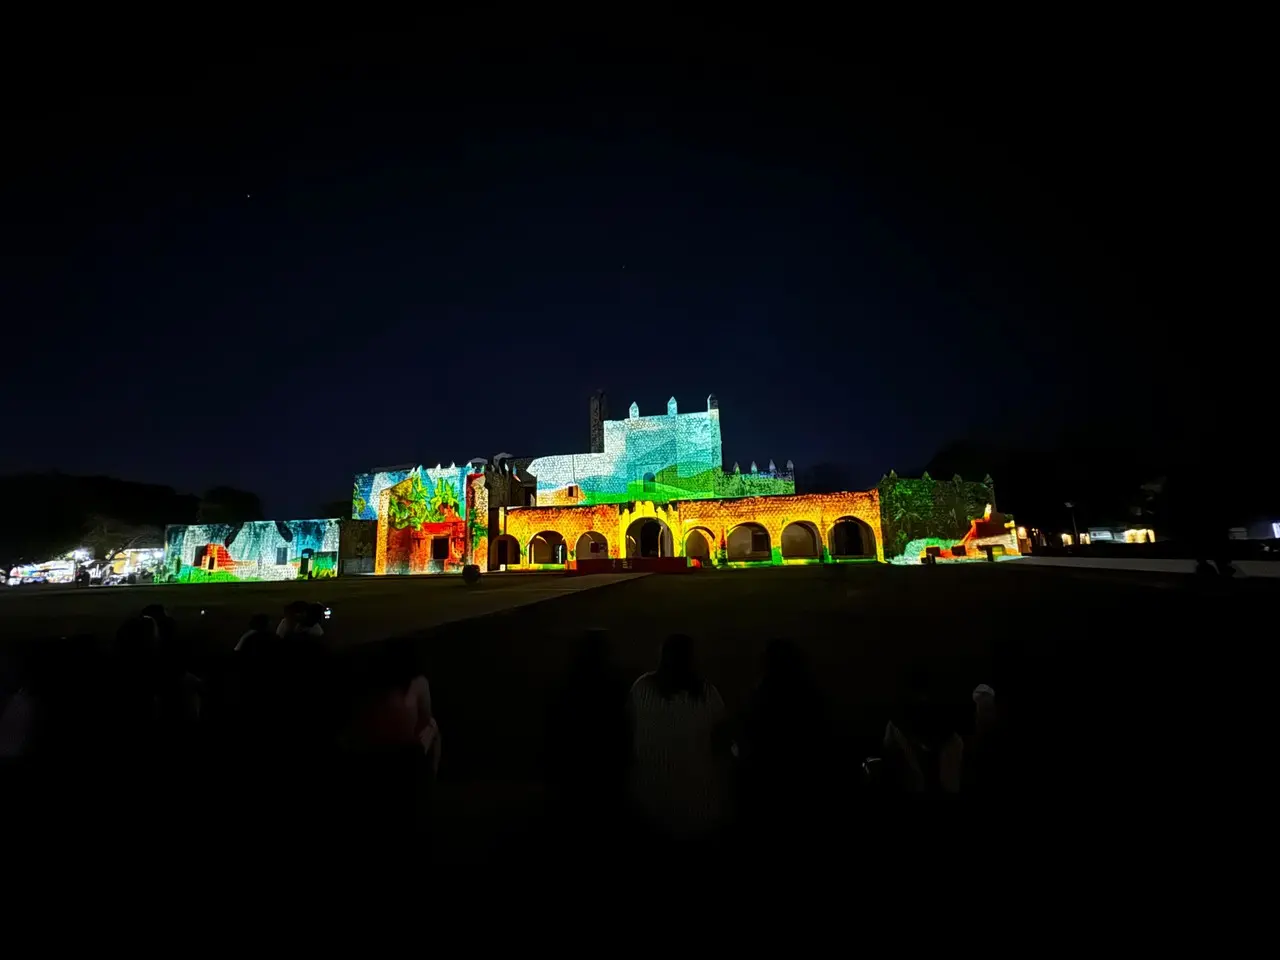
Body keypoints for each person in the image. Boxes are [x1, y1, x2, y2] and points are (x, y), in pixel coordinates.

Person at [628, 634, 729, 839]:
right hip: (699, 812)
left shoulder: (641, 688)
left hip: (650, 809)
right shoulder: (708, 694)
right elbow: (722, 744)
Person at [735, 639, 834, 827]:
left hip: (768, 783)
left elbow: (749, 736)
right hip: (804, 782)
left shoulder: (760, 696)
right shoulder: (811, 695)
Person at [545, 630, 631, 825]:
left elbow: (554, 733)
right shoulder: (615, 685)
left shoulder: (563, 687)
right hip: (605, 771)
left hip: (574, 772)